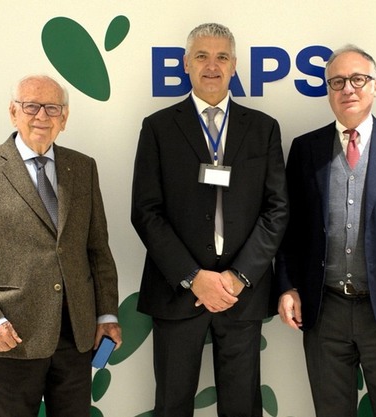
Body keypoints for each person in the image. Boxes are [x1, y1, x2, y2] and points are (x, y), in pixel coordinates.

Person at [131, 23, 288, 417]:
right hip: (177, 292)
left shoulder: (263, 128)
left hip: (241, 294)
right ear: (186, 64)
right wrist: (193, 276)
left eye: (221, 57)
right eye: (202, 56)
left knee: (242, 407)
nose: (212, 66)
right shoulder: (158, 128)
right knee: (172, 406)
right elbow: (146, 211)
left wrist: (237, 277)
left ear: (234, 65)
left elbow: (277, 209)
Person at [275, 44, 376, 417]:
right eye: (337, 82)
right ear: (328, 91)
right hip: (325, 310)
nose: (347, 88)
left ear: (375, 86)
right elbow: (290, 230)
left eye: (357, 79)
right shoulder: (305, 149)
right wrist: (287, 286)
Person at [0, 74, 122, 417]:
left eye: (52, 108)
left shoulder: (83, 167)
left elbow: (98, 249)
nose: (42, 115)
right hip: (10, 335)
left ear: (64, 118)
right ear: (13, 113)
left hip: (75, 335)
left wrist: (106, 314)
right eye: (31, 106)